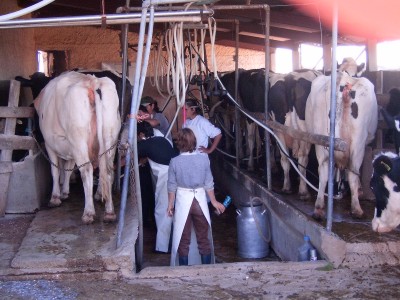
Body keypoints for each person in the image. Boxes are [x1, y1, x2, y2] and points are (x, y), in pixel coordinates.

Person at [167, 128, 226, 266]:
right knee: (203, 239)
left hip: (183, 201)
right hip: (200, 201)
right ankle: (206, 270)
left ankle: (184, 270)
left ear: (179, 143)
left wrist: (170, 205)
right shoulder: (203, 159)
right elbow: (209, 183)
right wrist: (214, 201)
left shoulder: (174, 162)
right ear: (194, 141)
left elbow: (171, 186)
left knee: (183, 239)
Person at [137, 121, 179, 253]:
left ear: (141, 134)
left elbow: (128, 157)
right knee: (175, 210)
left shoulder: (145, 144)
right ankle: (175, 242)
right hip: (177, 174)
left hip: (167, 179)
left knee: (163, 210)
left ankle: (163, 247)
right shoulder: (161, 138)